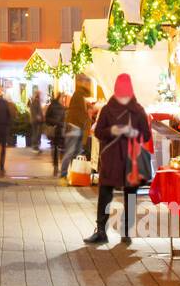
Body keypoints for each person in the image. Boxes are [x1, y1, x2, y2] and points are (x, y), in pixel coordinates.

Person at [85, 73, 151, 245]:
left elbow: (145, 134)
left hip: (121, 159)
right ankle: (117, 231)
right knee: (118, 193)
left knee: (109, 193)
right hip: (121, 159)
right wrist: (114, 130)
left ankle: (106, 231)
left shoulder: (132, 110)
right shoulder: (131, 109)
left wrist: (132, 132)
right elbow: (99, 132)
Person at [61, 78, 93, 176]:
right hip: (74, 126)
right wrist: (88, 116)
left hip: (76, 126)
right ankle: (64, 174)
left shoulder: (80, 95)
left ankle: (74, 174)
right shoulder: (79, 95)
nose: (89, 85)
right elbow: (80, 113)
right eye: (88, 83)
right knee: (71, 151)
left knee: (77, 152)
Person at [45, 92, 67, 176]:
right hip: (55, 131)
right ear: (59, 98)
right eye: (62, 98)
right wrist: (57, 123)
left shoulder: (63, 107)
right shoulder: (52, 106)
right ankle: (56, 166)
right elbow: (47, 119)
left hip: (61, 131)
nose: (63, 100)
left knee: (61, 149)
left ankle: (60, 167)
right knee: (55, 149)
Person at [28, 88, 45, 152]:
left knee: (37, 134)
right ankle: (35, 147)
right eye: (40, 94)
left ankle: (36, 147)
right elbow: (35, 112)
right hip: (36, 121)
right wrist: (39, 117)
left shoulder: (36, 101)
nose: (40, 95)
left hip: (36, 121)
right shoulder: (36, 101)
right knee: (36, 134)